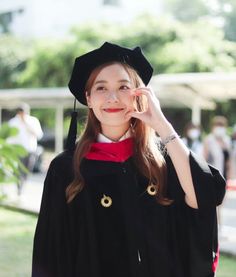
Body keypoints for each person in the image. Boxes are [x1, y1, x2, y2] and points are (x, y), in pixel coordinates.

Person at [32, 42, 226, 277]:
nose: (112, 97)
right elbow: (49, 252)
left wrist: (162, 126)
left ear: (140, 96)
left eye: (124, 87)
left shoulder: (165, 160)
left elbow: (203, 197)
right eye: (101, 88)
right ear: (88, 98)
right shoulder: (65, 168)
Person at [8, 103, 43, 195]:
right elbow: (10, 137)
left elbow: (39, 134)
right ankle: (19, 187)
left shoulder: (33, 121)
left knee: (27, 169)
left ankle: (22, 186)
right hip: (17, 150)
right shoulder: (13, 122)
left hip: (30, 150)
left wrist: (26, 124)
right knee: (18, 169)